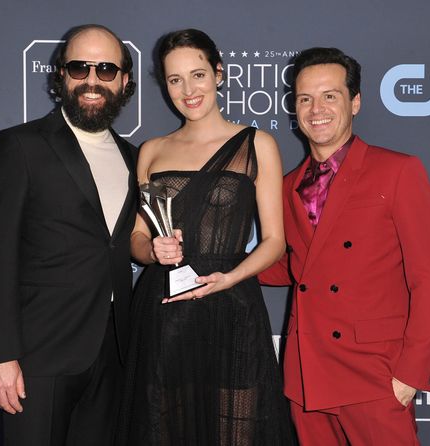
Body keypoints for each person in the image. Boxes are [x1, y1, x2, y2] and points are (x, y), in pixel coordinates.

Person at [259, 47, 430, 445]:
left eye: (330, 96)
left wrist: (410, 376)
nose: (317, 109)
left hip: (374, 374)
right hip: (307, 374)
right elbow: (290, 266)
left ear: (355, 101)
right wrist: (216, 263)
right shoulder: (288, 186)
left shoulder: (397, 170)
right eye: (305, 99)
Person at [116, 29, 295, 445]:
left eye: (197, 75)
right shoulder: (152, 150)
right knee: (165, 431)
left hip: (231, 306)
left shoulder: (256, 144)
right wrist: (151, 250)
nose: (188, 90)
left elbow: (274, 241)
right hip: (165, 311)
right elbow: (137, 239)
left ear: (219, 73)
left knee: (237, 430)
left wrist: (231, 278)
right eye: (175, 80)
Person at [0, 24, 137, 445]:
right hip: (37, 355)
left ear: (123, 80)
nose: (92, 80)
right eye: (79, 67)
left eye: (106, 69)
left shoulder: (135, 157)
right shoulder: (20, 146)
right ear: (61, 75)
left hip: (113, 353)